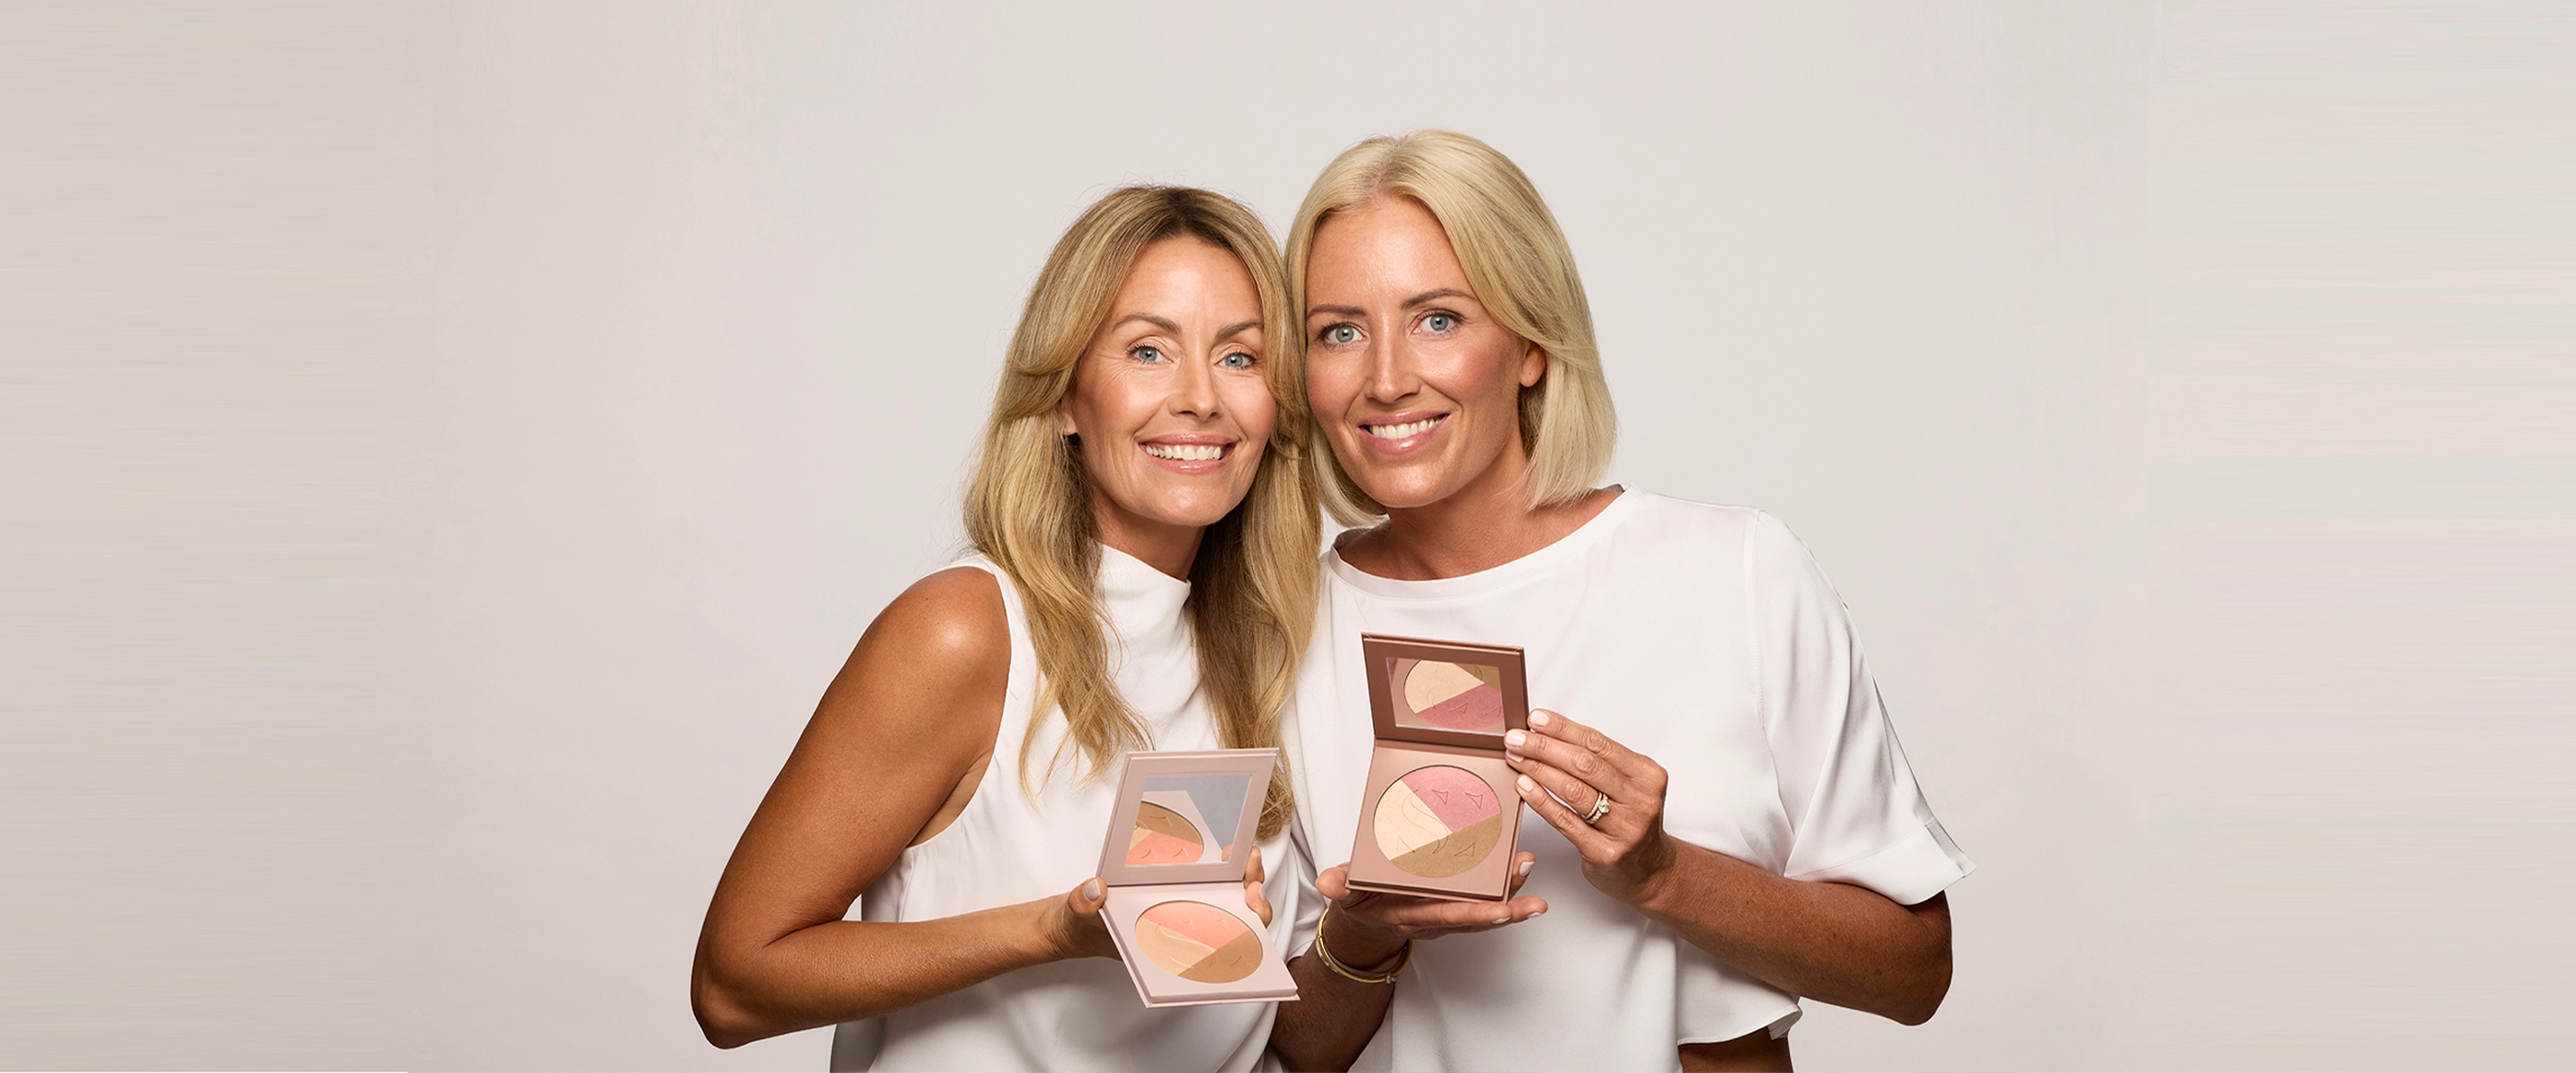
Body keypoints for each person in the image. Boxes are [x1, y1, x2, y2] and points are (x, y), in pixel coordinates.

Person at [1266, 131, 1976, 1072]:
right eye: (1339, 331)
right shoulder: (1282, 637)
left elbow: (1916, 975)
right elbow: (1291, 1055)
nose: (1387, 378)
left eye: (1438, 319)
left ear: (1530, 343)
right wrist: (1361, 937)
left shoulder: (1735, 575)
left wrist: (1664, 874)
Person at [690, 185, 1320, 1071]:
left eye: (1240, 358)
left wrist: (1374, 928)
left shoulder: (1273, 662)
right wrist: (1054, 930)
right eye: (1148, 350)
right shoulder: (967, 633)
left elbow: (1286, 1037)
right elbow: (732, 987)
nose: (1199, 398)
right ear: (1065, 398)